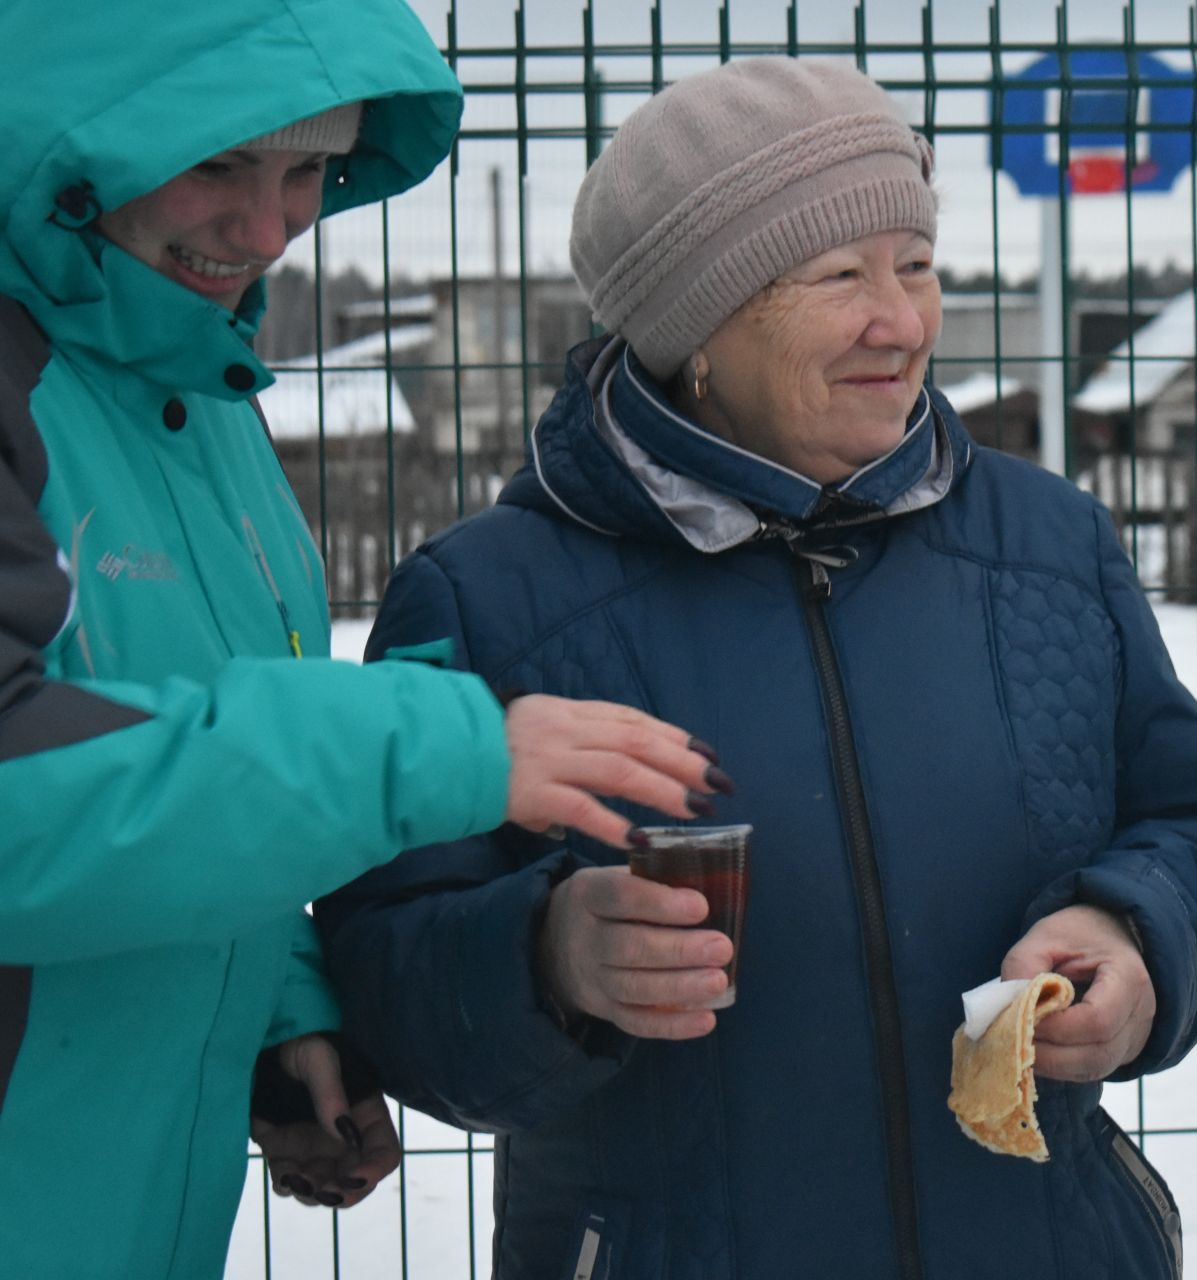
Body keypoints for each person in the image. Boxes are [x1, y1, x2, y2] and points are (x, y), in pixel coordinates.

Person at [316, 57, 1197, 1279]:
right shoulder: (489, 596)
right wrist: (550, 954)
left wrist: (1134, 934)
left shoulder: (1046, 546)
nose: (905, 320)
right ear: (695, 328)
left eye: (915, 265)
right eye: (839, 277)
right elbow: (382, 960)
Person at [0, 1, 720, 1274]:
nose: (272, 225)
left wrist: (279, 1005)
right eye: (219, 161)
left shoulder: (194, 398)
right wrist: (432, 745)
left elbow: (178, 737)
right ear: (66, 141)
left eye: (307, 171)